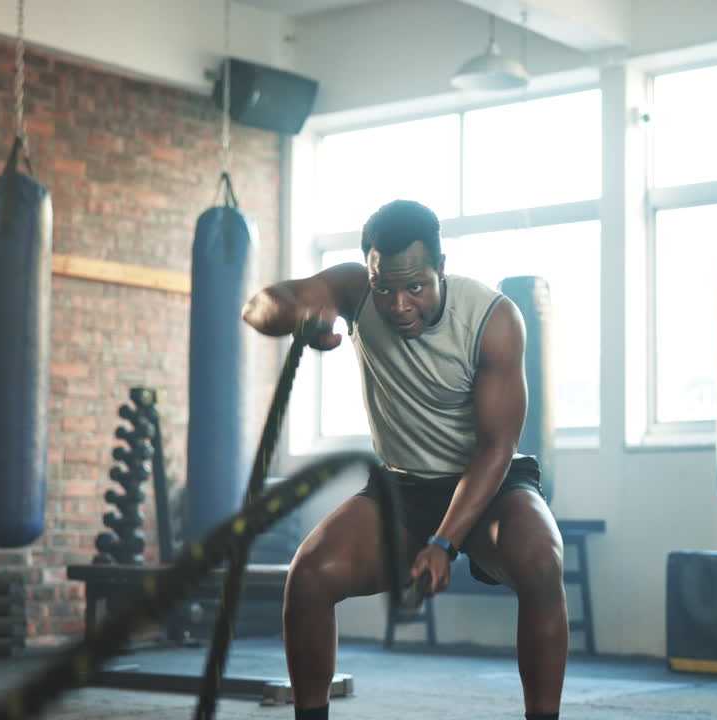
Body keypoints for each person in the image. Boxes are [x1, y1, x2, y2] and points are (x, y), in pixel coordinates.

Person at [242, 199, 567, 720]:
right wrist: (297, 316)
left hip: (491, 486)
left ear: (441, 267)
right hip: (402, 487)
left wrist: (444, 541)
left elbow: (495, 447)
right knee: (308, 578)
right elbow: (259, 305)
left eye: (415, 286)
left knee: (542, 565)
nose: (397, 305)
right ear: (368, 273)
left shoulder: (493, 318)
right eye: (384, 287)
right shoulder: (353, 290)